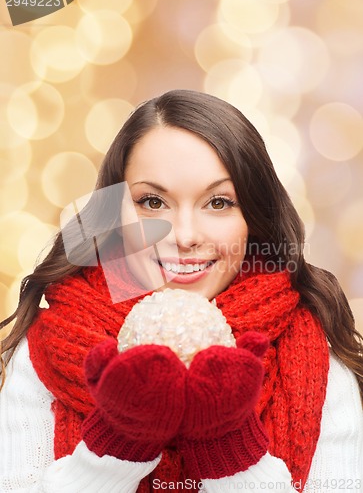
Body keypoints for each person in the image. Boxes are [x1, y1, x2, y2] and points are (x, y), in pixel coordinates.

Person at [0, 89, 362, 493]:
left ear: (254, 219)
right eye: (152, 201)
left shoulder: (320, 365)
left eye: (219, 202)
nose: (185, 235)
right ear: (112, 214)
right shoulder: (39, 358)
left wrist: (229, 446)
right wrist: (119, 441)